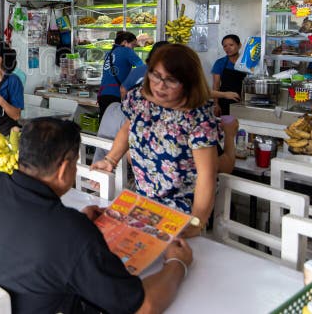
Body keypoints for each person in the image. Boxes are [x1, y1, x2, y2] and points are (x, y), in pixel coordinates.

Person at [0, 117, 192, 314]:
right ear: (63, 169)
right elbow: (145, 306)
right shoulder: (71, 233)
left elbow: (24, 233)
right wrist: (177, 262)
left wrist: (78, 221)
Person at [93, 44, 220, 236]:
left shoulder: (197, 118)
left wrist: (196, 222)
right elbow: (129, 127)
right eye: (156, 75)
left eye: (171, 80)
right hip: (143, 200)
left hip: (180, 209)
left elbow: (207, 174)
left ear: (188, 82)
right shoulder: (139, 98)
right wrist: (111, 159)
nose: (160, 85)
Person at [97, 31, 144, 117]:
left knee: (105, 124)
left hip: (102, 94)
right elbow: (143, 69)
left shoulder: (109, 53)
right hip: (116, 95)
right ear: (125, 42)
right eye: (133, 45)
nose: (133, 49)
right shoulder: (126, 51)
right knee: (117, 126)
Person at [211, 34, 245, 116]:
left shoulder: (246, 62)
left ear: (239, 45)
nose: (228, 48)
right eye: (225, 46)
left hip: (243, 101)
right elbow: (216, 85)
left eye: (231, 45)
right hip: (225, 101)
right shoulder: (220, 63)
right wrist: (216, 104)